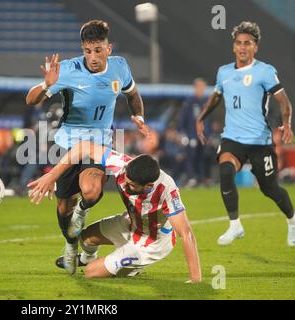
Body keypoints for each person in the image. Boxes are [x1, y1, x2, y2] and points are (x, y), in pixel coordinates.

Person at [25, 20, 149, 274]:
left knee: (91, 192)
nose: (93, 57)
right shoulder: (67, 70)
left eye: (98, 50)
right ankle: (71, 247)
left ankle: (82, 212)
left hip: (98, 145)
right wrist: (47, 85)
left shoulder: (120, 67)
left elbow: (133, 95)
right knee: (63, 209)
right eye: (88, 51)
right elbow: (30, 100)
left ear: (109, 48)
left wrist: (139, 116)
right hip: (67, 146)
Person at [28, 141, 201, 282]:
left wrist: (195, 280)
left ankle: (132, 267)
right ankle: (88, 257)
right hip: (130, 224)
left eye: (132, 185)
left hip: (151, 243)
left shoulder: (166, 190)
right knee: (85, 237)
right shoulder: (122, 164)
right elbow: (83, 147)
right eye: (125, 180)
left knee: (91, 273)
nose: (125, 185)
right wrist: (52, 175)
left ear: (148, 185)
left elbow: (186, 234)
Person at [196, 21, 295, 246]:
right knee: (225, 170)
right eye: (239, 43)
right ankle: (235, 225)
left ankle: (292, 222)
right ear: (233, 47)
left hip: (260, 140)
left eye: (247, 43)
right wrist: (202, 117)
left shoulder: (265, 71)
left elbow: (283, 101)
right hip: (233, 138)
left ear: (255, 47)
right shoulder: (224, 72)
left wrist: (286, 123)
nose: (242, 47)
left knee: (270, 189)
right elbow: (217, 96)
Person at [177, 78, 209, 187]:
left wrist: (208, 133)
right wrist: (181, 132)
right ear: (195, 88)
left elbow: (209, 119)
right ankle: (191, 177)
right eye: (199, 87)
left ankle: (201, 178)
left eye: (203, 87)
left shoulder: (206, 101)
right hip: (192, 134)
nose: (201, 89)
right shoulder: (190, 101)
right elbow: (183, 118)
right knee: (190, 156)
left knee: (202, 157)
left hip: (203, 135)